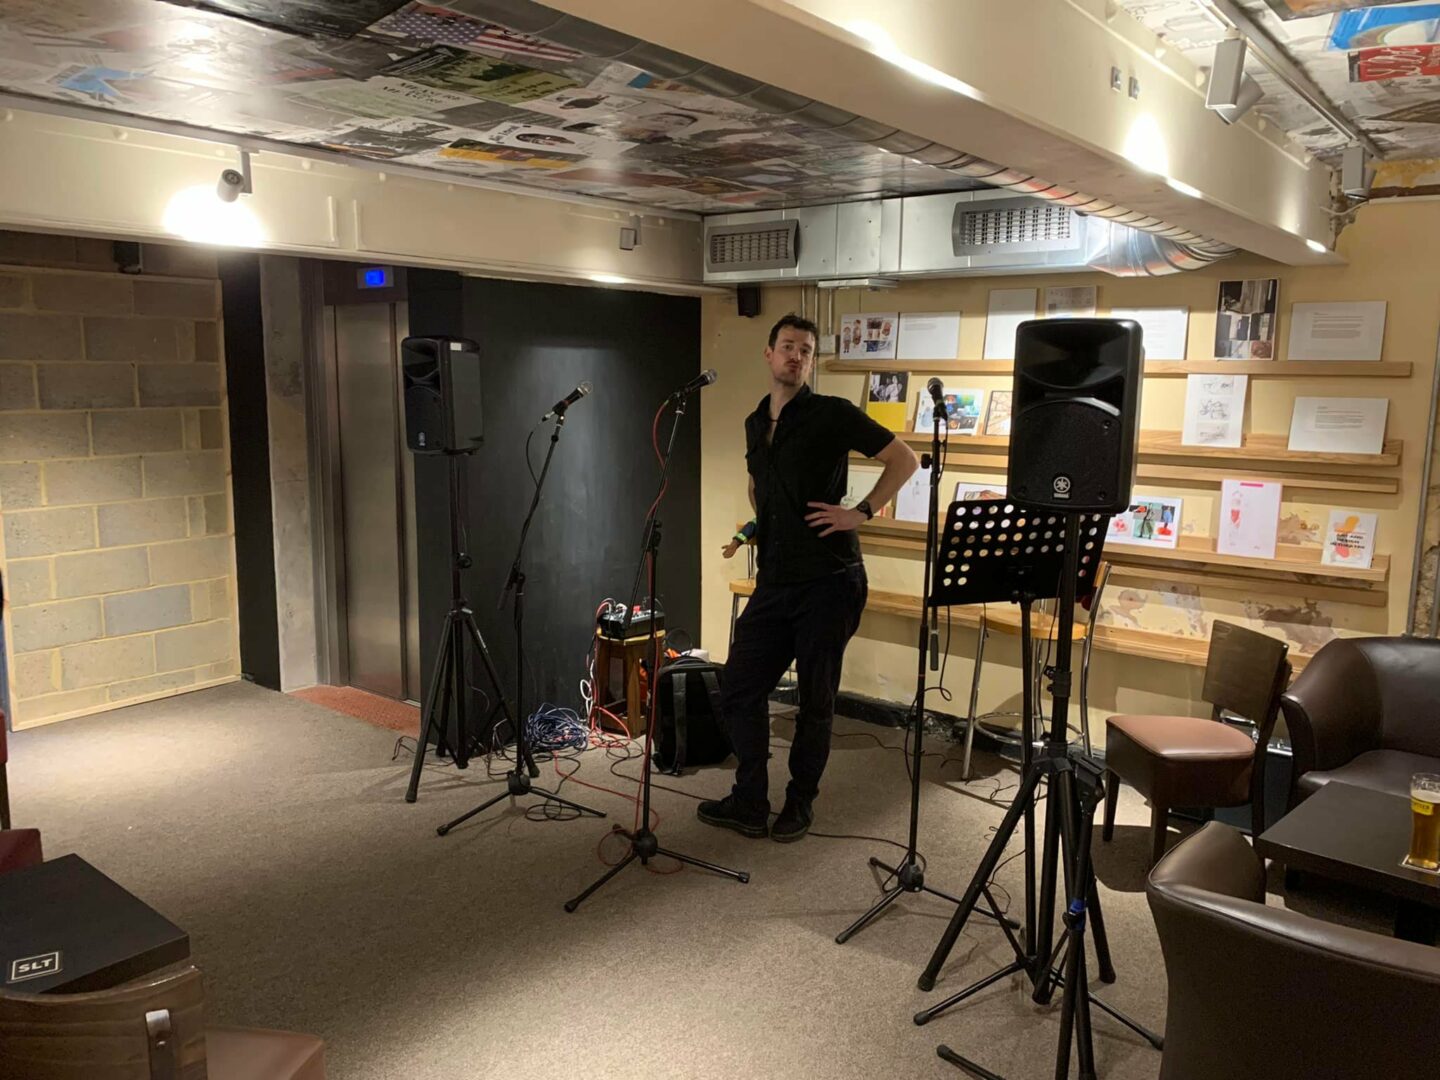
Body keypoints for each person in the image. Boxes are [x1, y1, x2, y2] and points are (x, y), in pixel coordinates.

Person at [702, 314, 920, 842]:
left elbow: (904, 459)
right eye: (788, 347)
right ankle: (750, 800)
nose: (796, 356)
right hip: (776, 579)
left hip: (830, 579)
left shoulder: (832, 414)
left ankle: (799, 804)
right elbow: (759, 484)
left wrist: (860, 512)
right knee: (738, 686)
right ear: (769, 354)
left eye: (806, 350)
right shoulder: (756, 421)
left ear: (811, 361)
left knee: (815, 700)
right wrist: (763, 521)